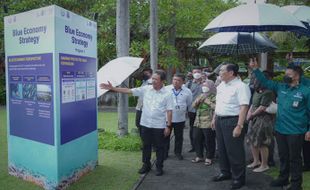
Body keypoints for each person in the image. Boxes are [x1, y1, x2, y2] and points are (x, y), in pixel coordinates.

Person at [249, 60, 310, 190]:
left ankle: (295, 184)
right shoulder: (281, 87)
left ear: (297, 76)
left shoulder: (306, 91)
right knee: (283, 156)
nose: (286, 76)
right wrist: (255, 69)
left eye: (289, 74)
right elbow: (266, 82)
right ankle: (283, 178)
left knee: (295, 159)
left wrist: (309, 130)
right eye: (285, 73)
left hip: (296, 131)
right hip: (281, 129)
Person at [100, 70, 173, 176]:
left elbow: (169, 110)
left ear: (162, 81)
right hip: (145, 123)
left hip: (159, 125)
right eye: (152, 78)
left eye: (156, 79)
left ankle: (159, 166)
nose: (153, 81)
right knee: (146, 145)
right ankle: (146, 165)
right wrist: (113, 88)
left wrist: (168, 126)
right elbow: (129, 90)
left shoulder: (167, 94)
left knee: (159, 147)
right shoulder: (146, 89)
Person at [211, 63, 251, 190]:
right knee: (222, 149)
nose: (219, 73)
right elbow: (219, 103)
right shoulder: (222, 85)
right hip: (220, 119)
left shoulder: (241, 86)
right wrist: (214, 118)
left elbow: (244, 107)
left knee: (234, 151)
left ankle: (239, 178)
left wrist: (239, 125)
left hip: (233, 121)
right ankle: (225, 172)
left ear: (231, 73)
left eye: (222, 70)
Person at [246, 71, 275, 173]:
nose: (253, 80)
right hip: (253, 118)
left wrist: (251, 115)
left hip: (263, 119)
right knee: (252, 140)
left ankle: (264, 164)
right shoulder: (256, 91)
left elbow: (262, 107)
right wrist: (249, 114)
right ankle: (256, 161)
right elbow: (253, 105)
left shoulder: (268, 92)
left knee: (262, 142)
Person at [164, 73, 192, 160]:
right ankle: (164, 153)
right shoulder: (166, 89)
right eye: (174, 79)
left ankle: (178, 153)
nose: (175, 82)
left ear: (183, 82)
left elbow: (189, 103)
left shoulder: (187, 91)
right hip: (166, 118)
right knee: (165, 136)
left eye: (178, 80)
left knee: (179, 137)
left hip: (180, 118)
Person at [191, 80, 216, 166]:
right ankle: (199, 156)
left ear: (211, 87)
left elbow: (216, 108)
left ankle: (209, 157)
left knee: (209, 140)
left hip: (208, 121)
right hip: (198, 121)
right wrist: (198, 100)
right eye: (203, 85)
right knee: (196, 138)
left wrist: (207, 101)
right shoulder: (201, 95)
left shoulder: (214, 96)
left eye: (206, 86)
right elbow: (193, 106)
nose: (204, 87)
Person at [186, 67, 203, 152]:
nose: (196, 73)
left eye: (198, 71)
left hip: (203, 110)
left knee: (204, 128)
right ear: (192, 74)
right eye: (195, 72)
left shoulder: (206, 83)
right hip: (192, 110)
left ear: (201, 73)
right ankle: (194, 146)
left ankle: (203, 146)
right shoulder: (188, 84)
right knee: (192, 128)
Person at [135, 68, 152, 137]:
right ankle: (144, 141)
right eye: (144, 73)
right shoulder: (144, 82)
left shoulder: (150, 82)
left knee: (144, 125)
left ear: (151, 74)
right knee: (138, 124)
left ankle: (147, 142)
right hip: (140, 106)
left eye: (147, 73)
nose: (145, 75)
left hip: (146, 107)